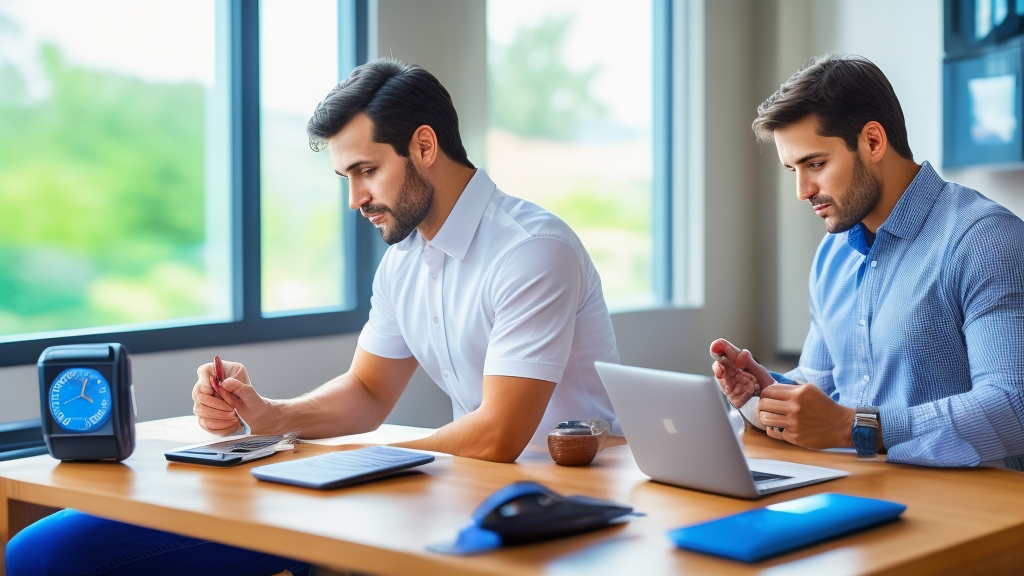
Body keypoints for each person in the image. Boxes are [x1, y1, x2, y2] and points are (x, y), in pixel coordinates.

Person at [6, 58, 620, 575]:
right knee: (43, 549)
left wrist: (359, 463)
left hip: (550, 504)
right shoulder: (406, 260)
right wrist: (272, 417)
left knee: (55, 555)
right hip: (454, 489)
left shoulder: (531, 250)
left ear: (424, 146)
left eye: (366, 171)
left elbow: (497, 434)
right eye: (345, 177)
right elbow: (368, 390)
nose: (355, 199)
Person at [711, 53, 1024, 470]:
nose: (803, 191)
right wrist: (767, 396)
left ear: (873, 142)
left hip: (974, 509)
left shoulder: (985, 240)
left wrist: (852, 428)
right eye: (793, 170)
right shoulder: (833, 254)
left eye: (816, 164)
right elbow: (824, 389)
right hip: (862, 491)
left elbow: (1013, 404)